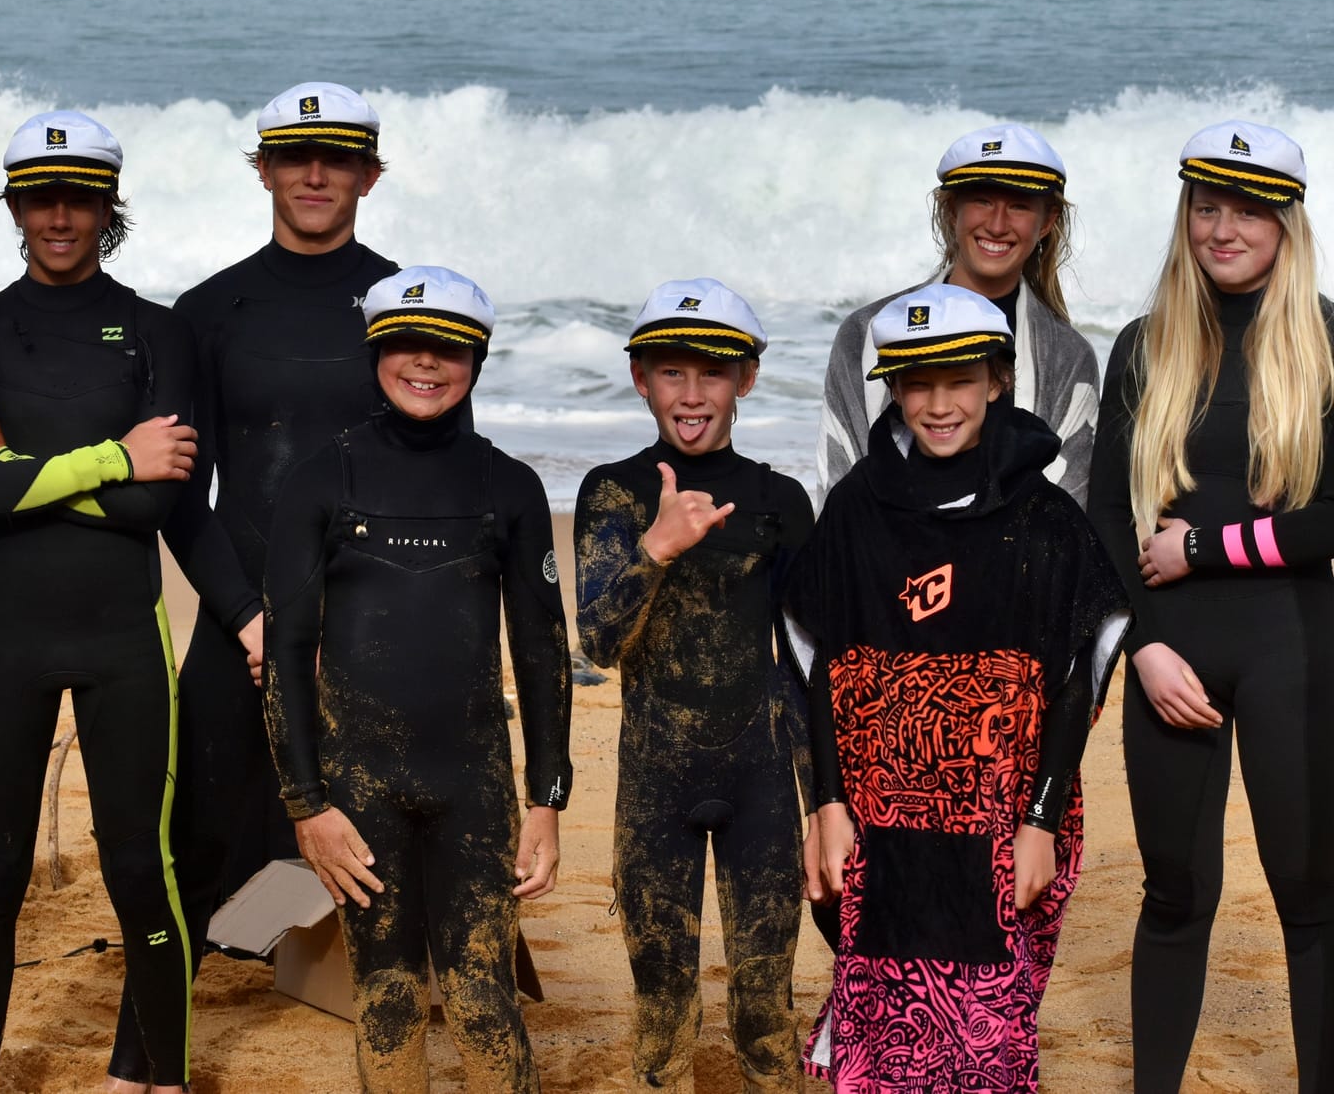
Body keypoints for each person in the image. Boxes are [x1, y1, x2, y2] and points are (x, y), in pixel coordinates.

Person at [108, 79, 397, 1091]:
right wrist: (247, 618)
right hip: (242, 616)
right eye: (293, 157)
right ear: (263, 170)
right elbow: (181, 496)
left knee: (395, 831)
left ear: (369, 174)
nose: (314, 175)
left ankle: (378, 1021)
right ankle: (142, 1057)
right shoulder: (207, 312)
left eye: (337, 157)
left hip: (368, 613)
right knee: (190, 833)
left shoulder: (404, 303)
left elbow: (430, 483)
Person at [790, 284, 1127, 1090]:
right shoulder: (855, 509)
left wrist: (1041, 820)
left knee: (988, 1041)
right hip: (878, 820)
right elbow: (817, 662)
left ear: (998, 379)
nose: (938, 405)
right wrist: (826, 803)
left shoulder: (1042, 516)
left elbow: (1077, 671)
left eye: (960, 381)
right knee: (881, 1025)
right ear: (893, 388)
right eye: (916, 383)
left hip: (1001, 823)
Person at [0, 111, 198, 1094]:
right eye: (39, 197)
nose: (58, 216)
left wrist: (23, 469)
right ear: (13, 206)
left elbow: (156, 507)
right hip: (6, 637)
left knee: (138, 868)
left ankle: (167, 1080)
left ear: (107, 205)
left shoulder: (161, 332)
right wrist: (115, 456)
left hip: (125, 636)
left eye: (78, 197)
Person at [264, 266, 572, 1092]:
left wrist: (547, 799)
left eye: (449, 347)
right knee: (388, 999)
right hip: (359, 795)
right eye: (405, 343)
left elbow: (542, 652)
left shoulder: (510, 485)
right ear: (375, 352)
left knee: (483, 1000)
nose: (426, 362)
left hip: (474, 787)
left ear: (477, 360)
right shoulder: (321, 480)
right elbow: (287, 655)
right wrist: (307, 806)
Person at [1085, 120, 1334, 1094]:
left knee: (1309, 899)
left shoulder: (1325, 340)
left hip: (1293, 646)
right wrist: (1142, 649)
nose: (1222, 229)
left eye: (1247, 211)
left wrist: (1201, 547)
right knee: (1174, 894)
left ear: (1287, 223)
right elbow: (1108, 516)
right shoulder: (1143, 346)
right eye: (1205, 206)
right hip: (1170, 655)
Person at [573, 279, 813, 1093]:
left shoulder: (780, 500)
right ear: (639, 377)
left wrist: (825, 803)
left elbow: (805, 663)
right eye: (671, 372)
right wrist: (658, 547)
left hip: (761, 781)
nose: (692, 393)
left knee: (765, 1006)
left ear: (747, 377)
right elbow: (599, 641)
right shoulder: (613, 491)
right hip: (654, 785)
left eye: (713, 372)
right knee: (662, 1004)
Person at [815, 123, 1098, 508]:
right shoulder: (865, 335)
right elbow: (839, 497)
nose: (997, 225)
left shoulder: (1068, 356)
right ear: (952, 210)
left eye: (1018, 205)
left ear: (1046, 221)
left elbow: (1065, 511)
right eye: (982, 201)